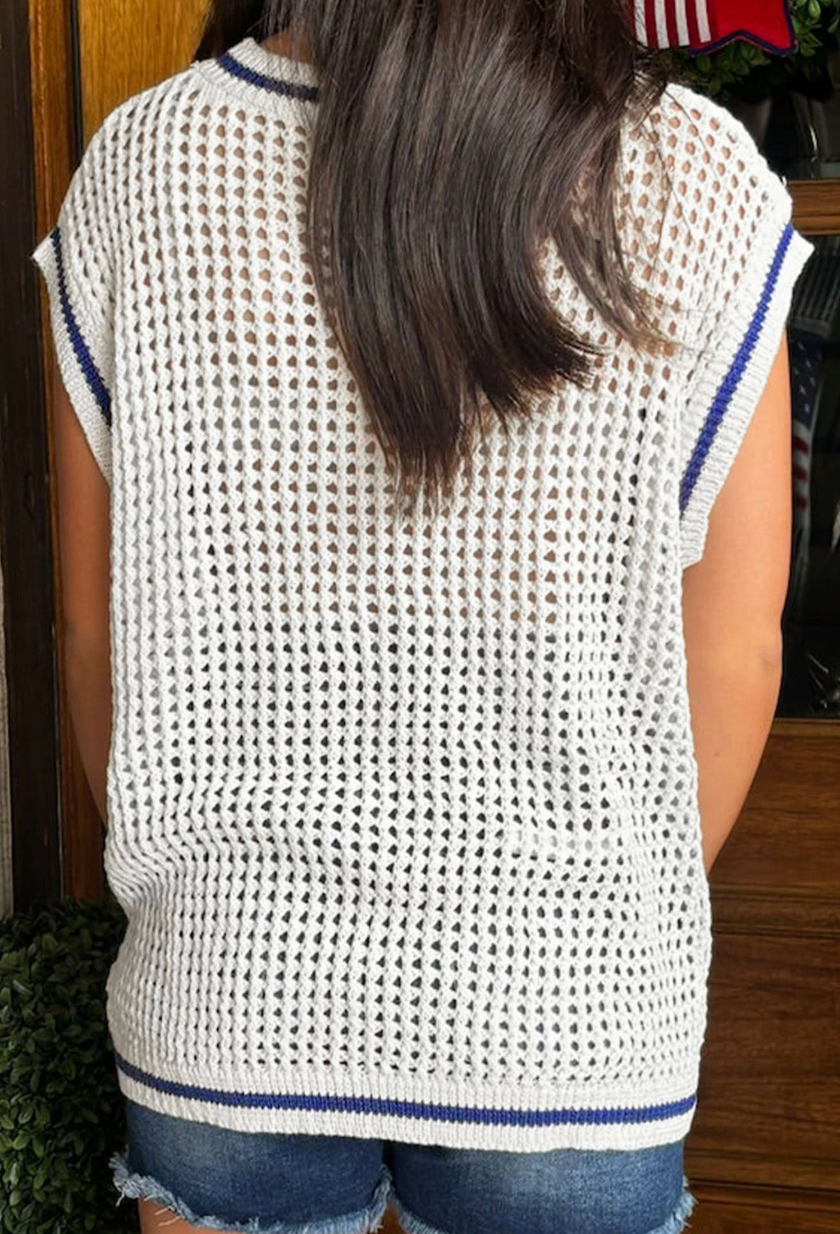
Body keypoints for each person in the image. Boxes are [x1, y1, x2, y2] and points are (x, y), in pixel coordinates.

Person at [30, 2, 813, 1232]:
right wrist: (604, 915)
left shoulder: (146, 165)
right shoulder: (693, 172)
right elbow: (737, 645)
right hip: (572, 1012)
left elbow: (95, 636)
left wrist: (189, 899)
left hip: (233, 991)